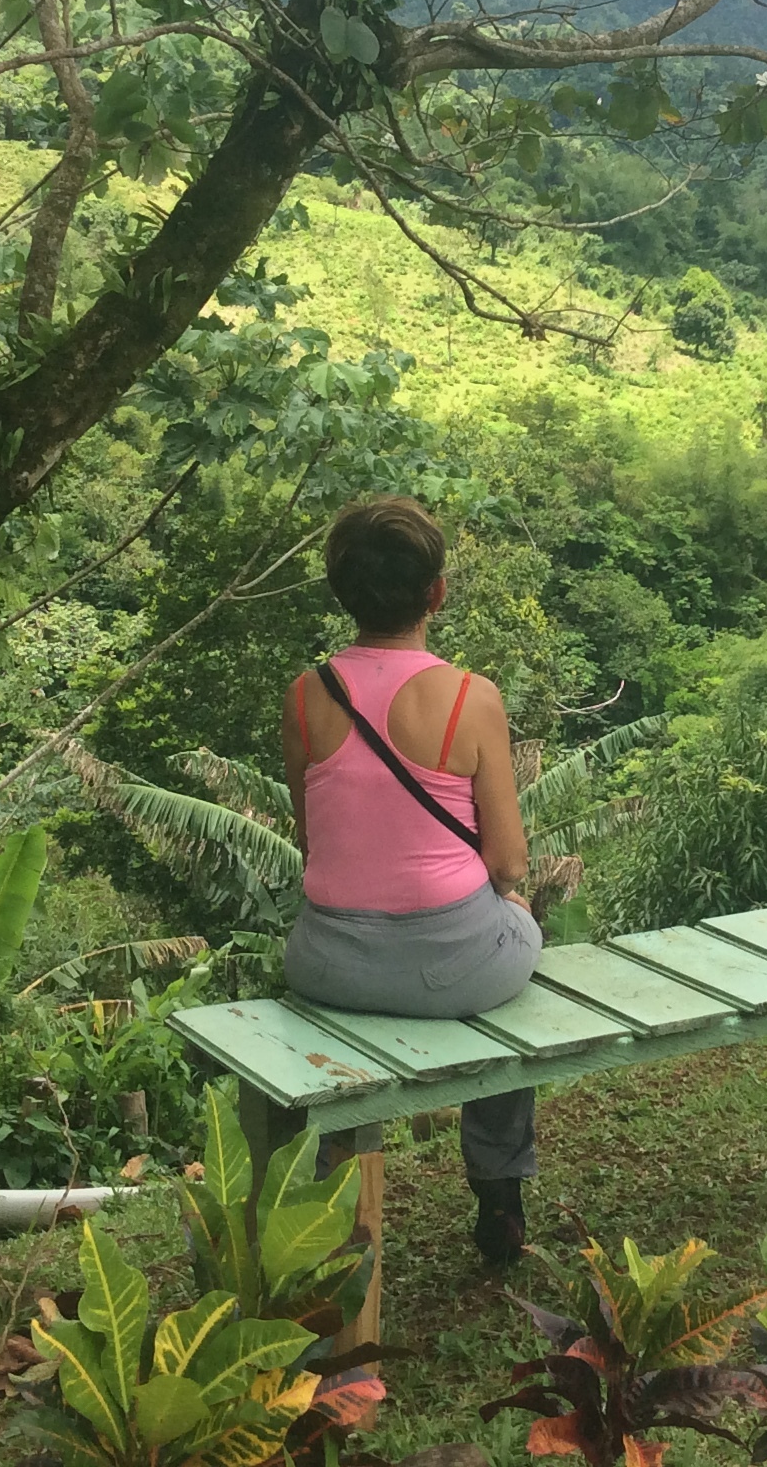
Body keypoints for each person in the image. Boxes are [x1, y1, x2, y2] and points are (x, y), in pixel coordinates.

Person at [279, 495, 542, 1266]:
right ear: (438, 593)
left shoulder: (305, 695)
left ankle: (329, 1212)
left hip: (328, 965)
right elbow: (509, 864)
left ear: (342, 592)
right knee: (512, 938)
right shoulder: (469, 697)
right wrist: (507, 899)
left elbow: (312, 840)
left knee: (490, 941)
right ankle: (499, 1186)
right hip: (455, 967)